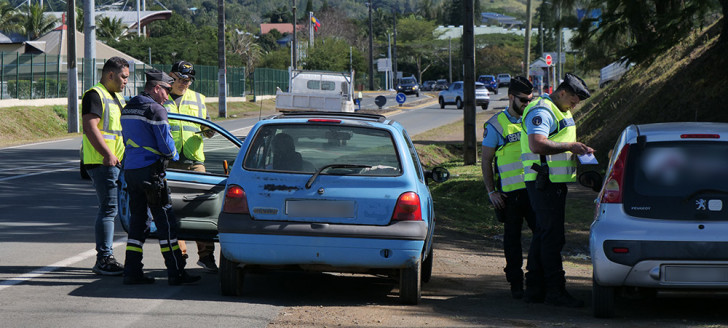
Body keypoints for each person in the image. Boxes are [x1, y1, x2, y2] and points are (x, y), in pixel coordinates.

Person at [119, 69, 201, 285]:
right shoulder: (156, 110)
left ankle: (132, 271)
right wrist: (173, 155)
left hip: (131, 172)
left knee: (138, 222)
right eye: (166, 90)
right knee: (166, 224)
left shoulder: (129, 107)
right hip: (151, 173)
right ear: (156, 88)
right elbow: (166, 146)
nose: (167, 95)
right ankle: (176, 273)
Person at [520, 73, 593, 307]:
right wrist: (571, 146)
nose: (574, 105)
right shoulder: (542, 110)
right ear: (562, 92)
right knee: (551, 237)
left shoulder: (561, 109)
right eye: (572, 100)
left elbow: (560, 138)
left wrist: (578, 151)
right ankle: (554, 290)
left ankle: (535, 288)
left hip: (553, 182)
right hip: (544, 182)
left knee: (544, 234)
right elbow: (536, 143)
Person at [481, 76, 537, 299]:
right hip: (510, 195)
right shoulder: (496, 125)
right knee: (512, 240)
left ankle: (535, 278)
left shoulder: (533, 119)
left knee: (542, 235)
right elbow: (486, 161)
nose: (527, 104)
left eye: (530, 100)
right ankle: (516, 283)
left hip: (534, 191)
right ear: (511, 97)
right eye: (523, 100)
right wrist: (491, 192)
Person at [163, 61, 218, 273]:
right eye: (181, 79)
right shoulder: (160, 98)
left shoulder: (198, 98)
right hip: (169, 163)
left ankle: (207, 256)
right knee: (171, 212)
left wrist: (208, 130)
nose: (185, 84)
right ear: (171, 76)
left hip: (195, 162)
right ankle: (179, 257)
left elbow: (208, 127)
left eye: (188, 80)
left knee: (202, 210)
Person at [81, 56, 129, 276]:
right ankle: (103, 258)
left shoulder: (116, 97)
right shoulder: (95, 94)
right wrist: (108, 154)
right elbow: (91, 128)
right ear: (110, 74)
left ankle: (105, 256)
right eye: (123, 77)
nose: (126, 81)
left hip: (115, 162)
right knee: (108, 209)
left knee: (111, 209)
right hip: (103, 162)